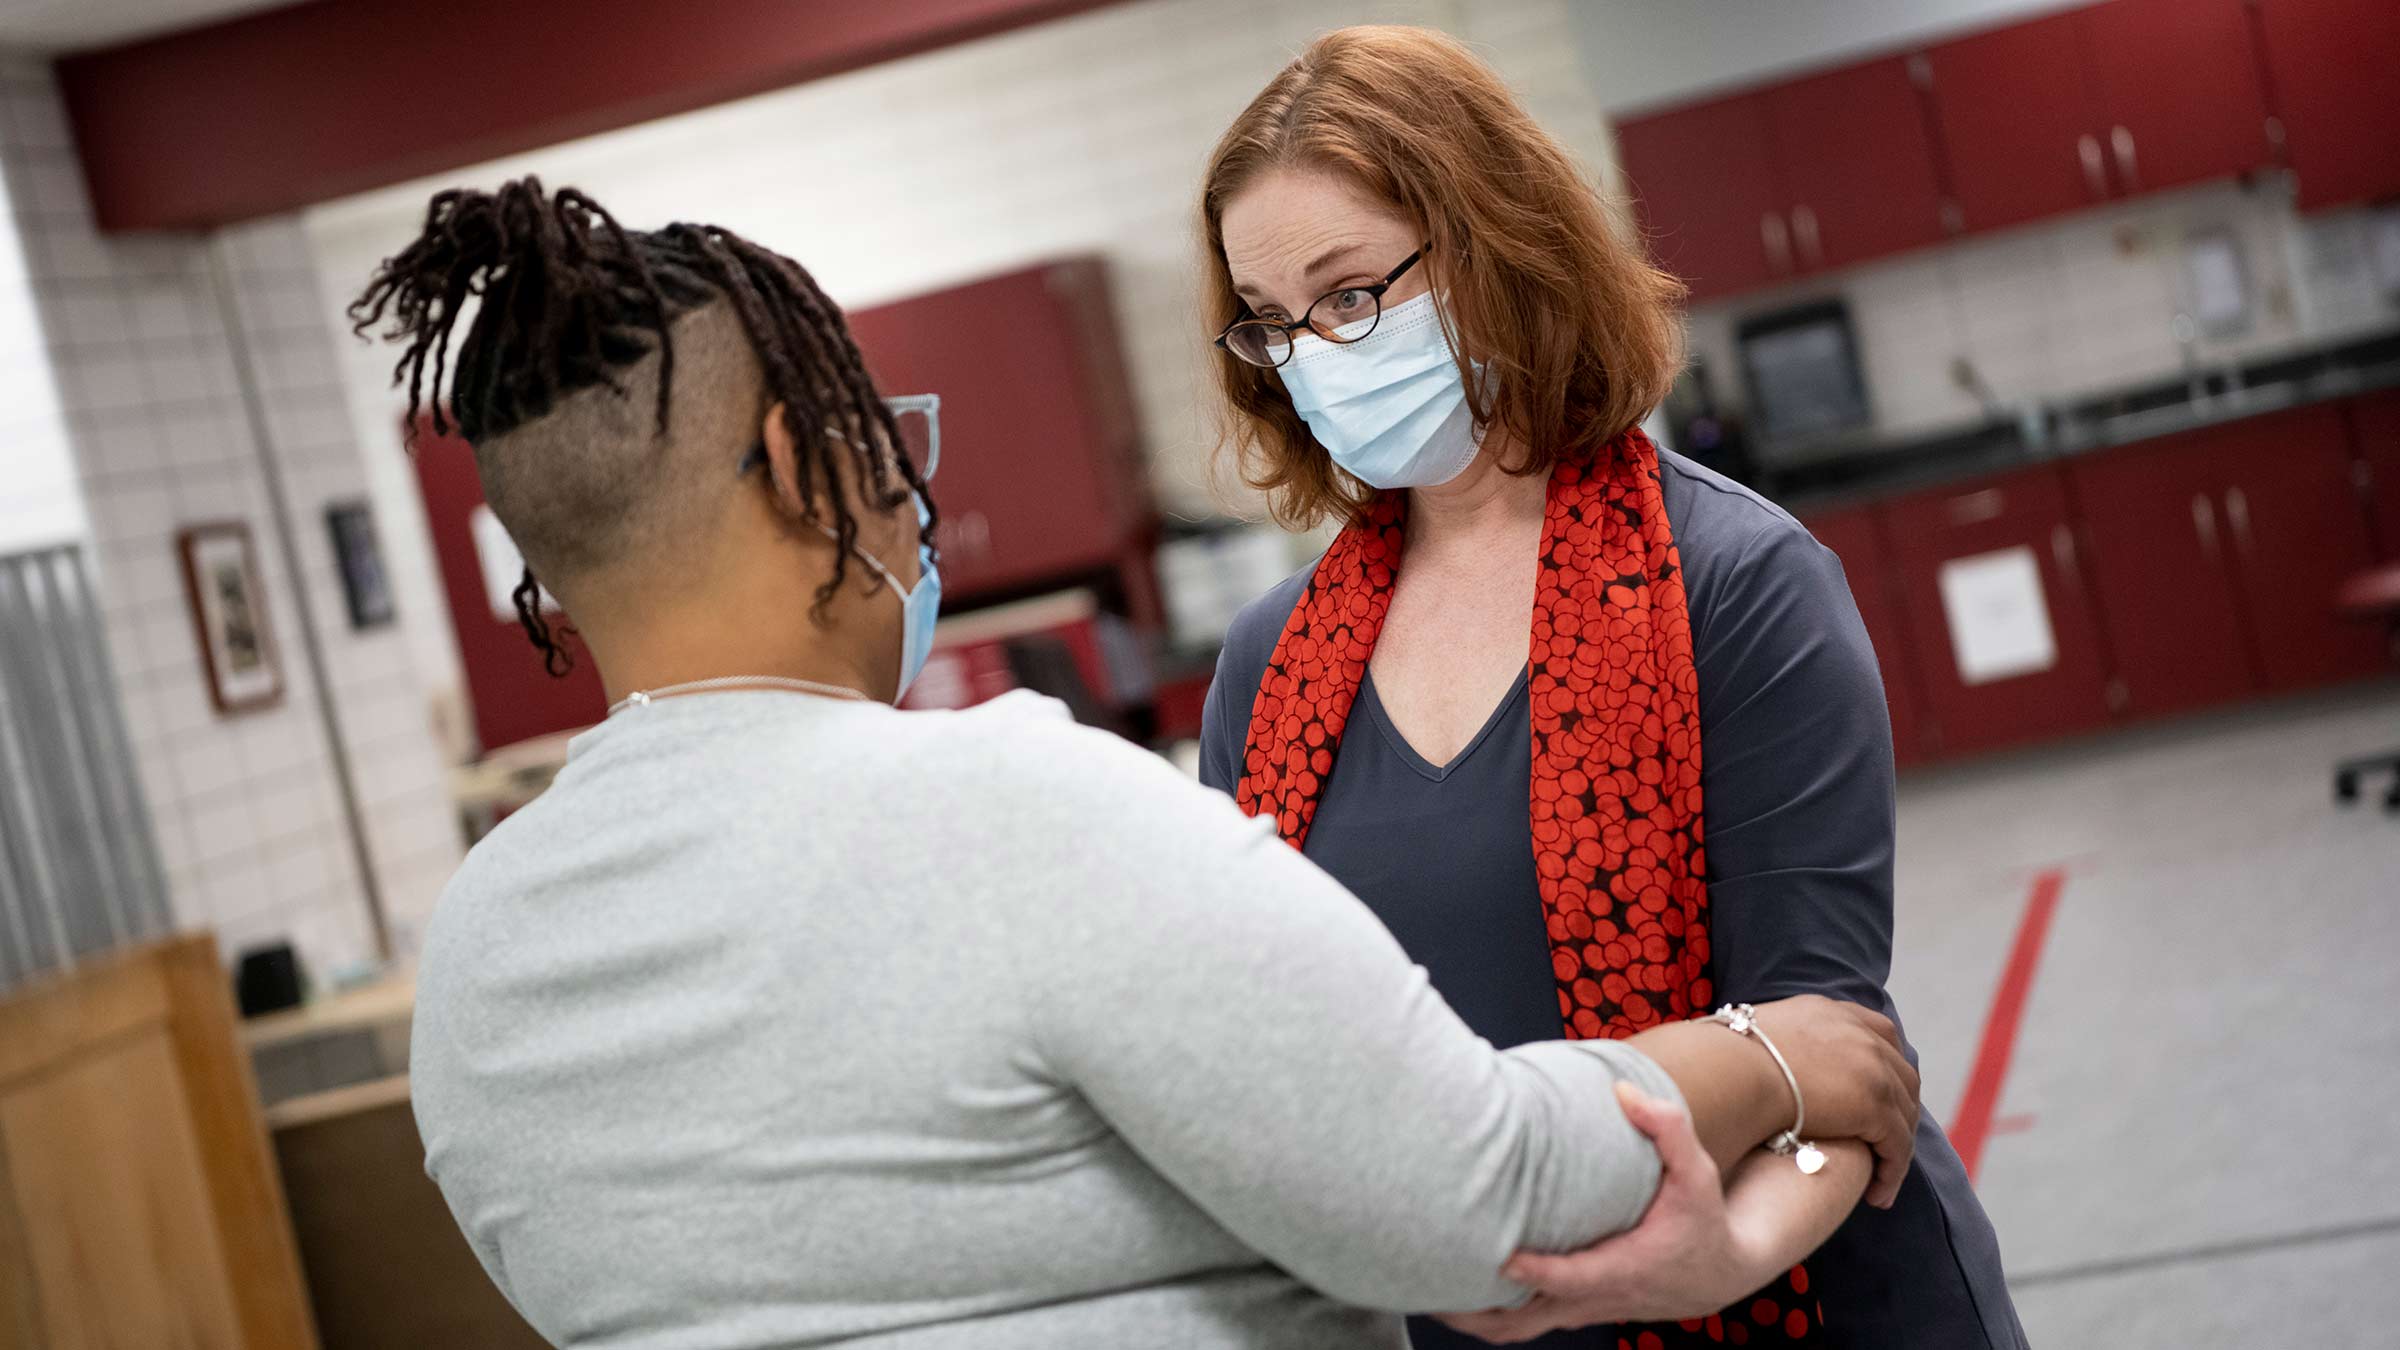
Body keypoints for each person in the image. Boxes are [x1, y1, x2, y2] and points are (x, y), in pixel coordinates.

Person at [358, 179, 1920, 1350]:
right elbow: (1481, 1193)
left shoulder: (483, 958)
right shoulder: (1022, 810)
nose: (911, 493)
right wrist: (1778, 1056)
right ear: (797, 462)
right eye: (881, 434)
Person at [1192, 26, 2027, 1350]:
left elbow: (1837, 1046)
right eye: (1274, 323)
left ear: (1491, 247)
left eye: (1351, 295)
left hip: (1796, 1299)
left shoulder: (1735, 581)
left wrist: (1713, 1255)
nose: (1314, 353)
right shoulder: (1268, 669)